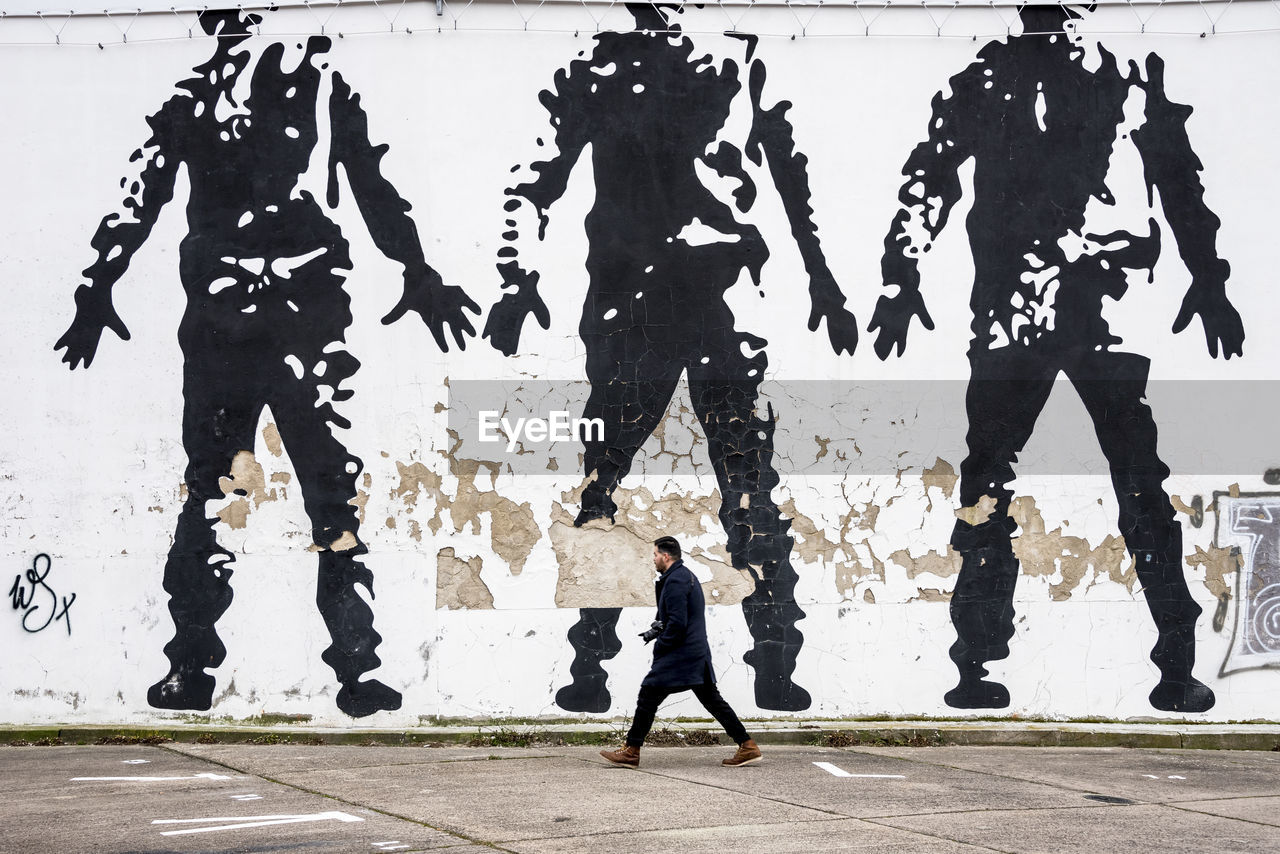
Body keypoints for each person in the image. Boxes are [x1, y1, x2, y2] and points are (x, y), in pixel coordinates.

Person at [54, 9, 478, 717]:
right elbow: (144, 192)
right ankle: (216, 665)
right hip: (251, 323)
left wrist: (417, 269)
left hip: (290, 321)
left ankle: (333, 668)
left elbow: (369, 181)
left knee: (307, 496)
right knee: (232, 495)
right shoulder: (223, 91)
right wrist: (98, 284)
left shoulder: (303, 83)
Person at [484, 1, 858, 714]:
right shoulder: (602, 67)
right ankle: (593, 669)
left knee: (745, 490)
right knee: (606, 489)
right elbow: (535, 178)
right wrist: (513, 278)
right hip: (637, 308)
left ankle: (771, 662)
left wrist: (823, 279)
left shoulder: (736, 61)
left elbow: (785, 165)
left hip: (720, 305)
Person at [869, 2, 1243, 712]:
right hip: (1036, 307)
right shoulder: (1002, 76)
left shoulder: (1119, 76)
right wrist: (899, 276)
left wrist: (1210, 277)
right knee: (1002, 484)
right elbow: (931, 177)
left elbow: (1178, 180)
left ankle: (1159, 661)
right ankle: (981, 662)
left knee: (1116, 482)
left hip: (1084, 306)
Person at [601, 537, 762, 768]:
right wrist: (657, 629)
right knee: (712, 700)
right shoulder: (684, 576)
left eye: (655, 555)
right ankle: (747, 746)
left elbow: (677, 623)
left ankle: (631, 751)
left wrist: (661, 645)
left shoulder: (676, 580)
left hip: (682, 654)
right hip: (694, 652)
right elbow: (675, 618)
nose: (653, 559)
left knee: (648, 695)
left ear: (666, 556)